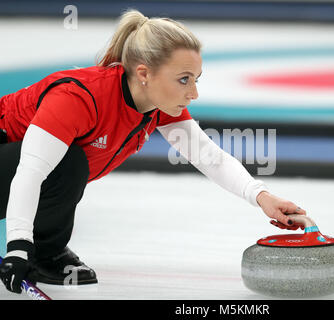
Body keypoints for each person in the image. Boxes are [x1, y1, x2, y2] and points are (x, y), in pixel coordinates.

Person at [0, 9, 306, 295]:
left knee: (70, 164)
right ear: (144, 73)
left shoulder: (157, 105)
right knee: (69, 163)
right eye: (184, 79)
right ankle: (43, 251)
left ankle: (46, 249)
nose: (194, 93)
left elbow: (209, 157)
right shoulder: (78, 98)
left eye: (196, 80)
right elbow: (31, 172)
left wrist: (262, 197)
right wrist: (17, 246)